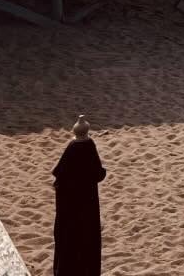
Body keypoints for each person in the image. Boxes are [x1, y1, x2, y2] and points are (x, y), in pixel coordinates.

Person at [53, 115, 107, 276]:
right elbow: (99, 173)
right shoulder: (89, 147)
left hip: (69, 209)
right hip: (88, 207)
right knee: (87, 243)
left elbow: (59, 174)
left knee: (69, 243)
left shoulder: (72, 148)